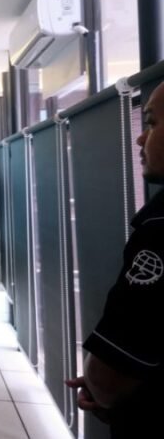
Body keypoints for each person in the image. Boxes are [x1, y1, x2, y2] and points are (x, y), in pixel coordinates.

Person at [66, 83, 164, 437]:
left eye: (151, 123)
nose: (140, 138)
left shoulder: (160, 228)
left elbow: (131, 339)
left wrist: (102, 386)